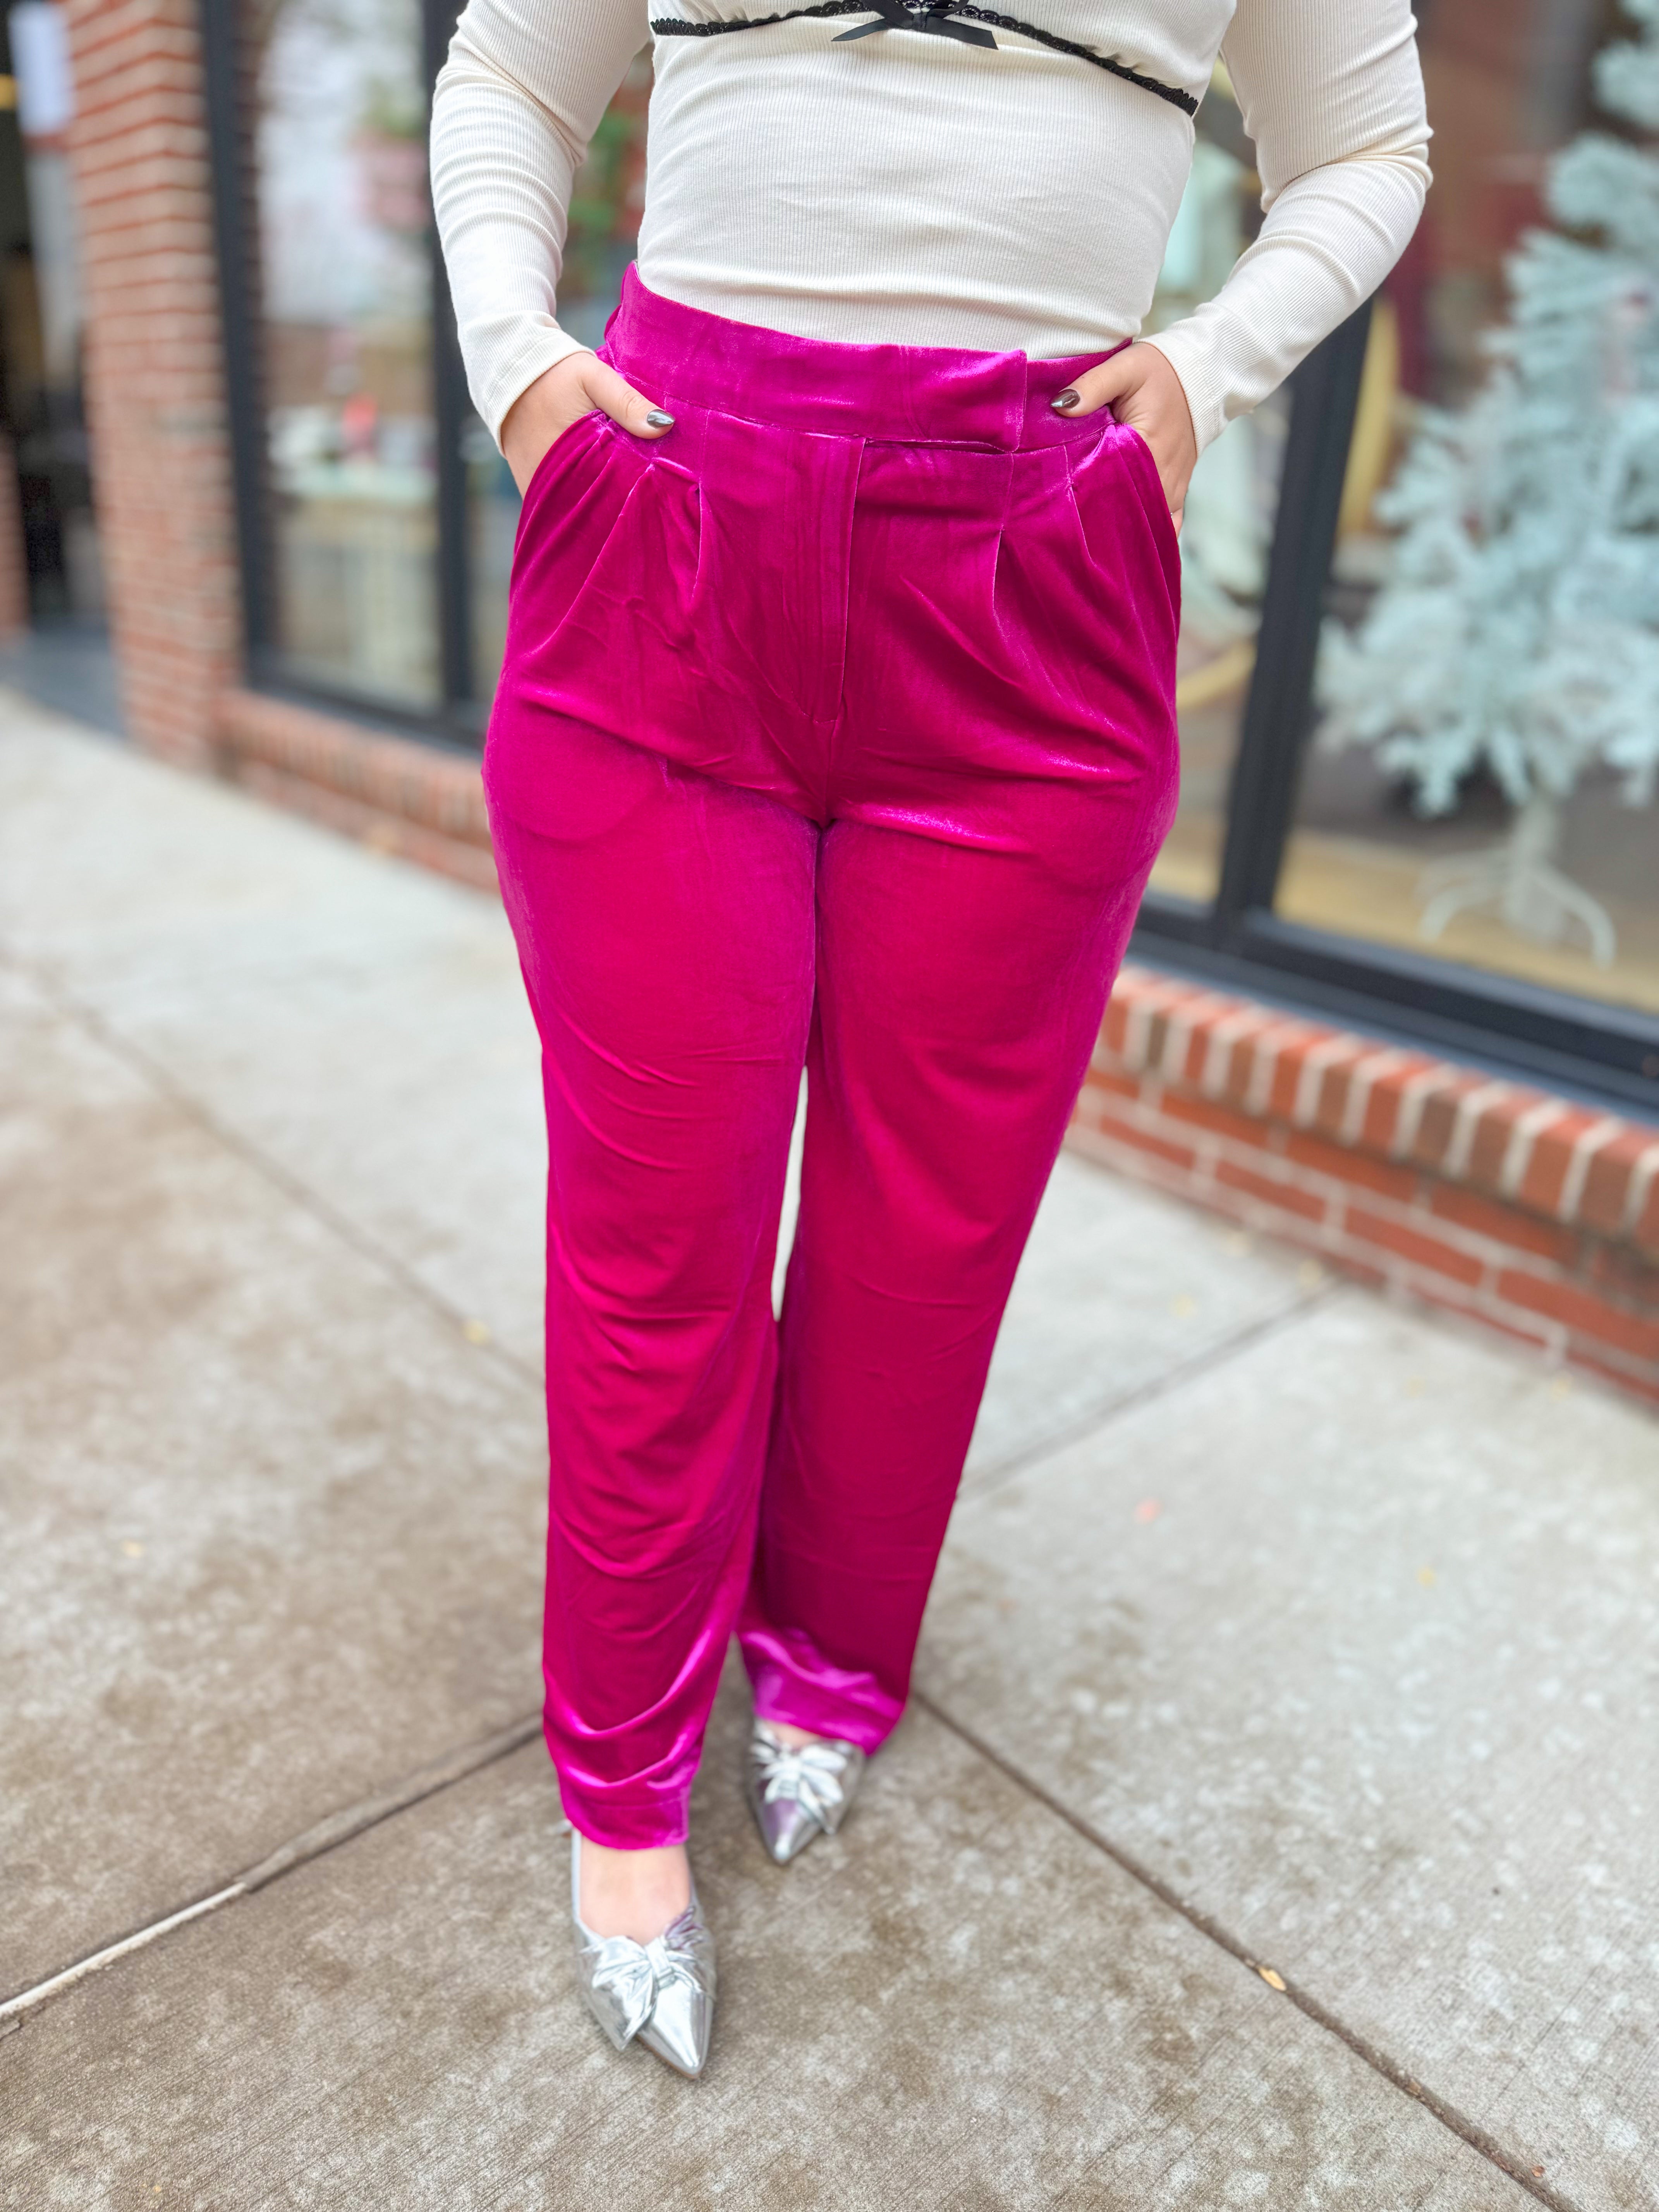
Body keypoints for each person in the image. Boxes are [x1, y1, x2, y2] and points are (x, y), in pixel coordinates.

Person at [431, 0, 1430, 2076]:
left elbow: (1370, 150)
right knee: (658, 1243)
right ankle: (625, 1790)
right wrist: (517, 366)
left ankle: (824, 1667)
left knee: (924, 1236)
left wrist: (1204, 376)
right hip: (669, 520)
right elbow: (517, 77)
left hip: (1032, 572)